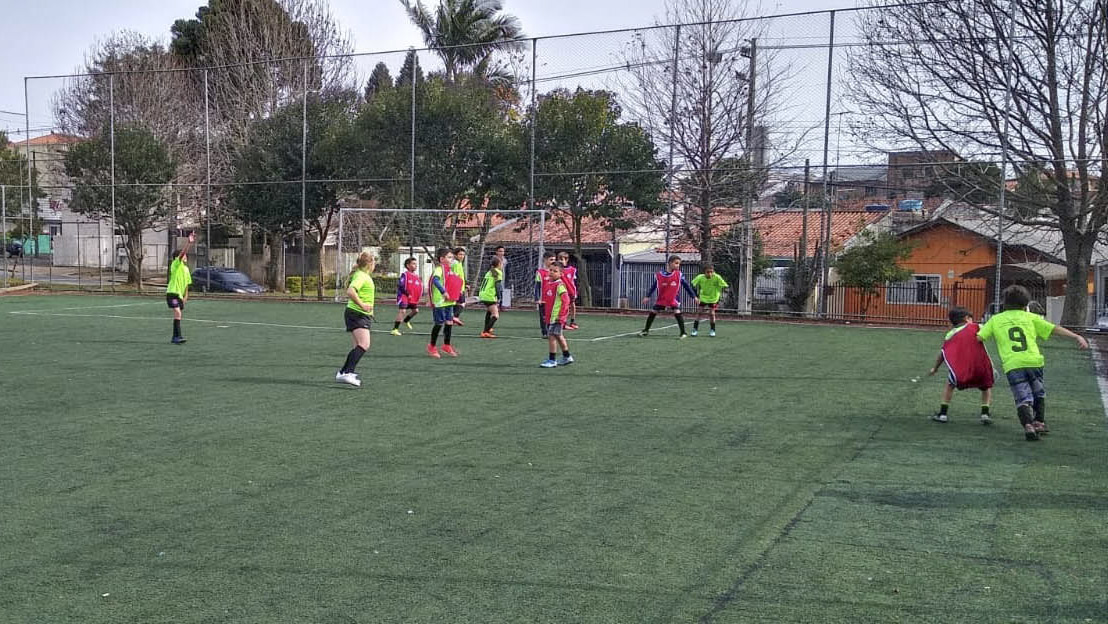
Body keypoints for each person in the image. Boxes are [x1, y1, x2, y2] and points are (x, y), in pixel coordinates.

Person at [977, 285, 1089, 440]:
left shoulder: (996, 320)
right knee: (1039, 393)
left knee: (1022, 397)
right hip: (1034, 361)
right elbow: (1054, 329)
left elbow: (980, 337)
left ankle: (1028, 425)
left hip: (1013, 364)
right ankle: (1039, 422)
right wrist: (1076, 336)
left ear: (1004, 303)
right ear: (1025, 305)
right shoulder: (1031, 318)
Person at [927, 307, 994, 424]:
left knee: (950, 385)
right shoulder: (977, 327)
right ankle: (985, 414)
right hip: (981, 369)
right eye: (971, 318)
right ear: (966, 319)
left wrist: (935, 368)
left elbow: (942, 354)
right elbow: (989, 331)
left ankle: (943, 414)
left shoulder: (950, 335)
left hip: (961, 372)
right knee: (986, 387)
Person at [337, 252, 375, 387]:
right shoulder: (361, 276)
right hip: (357, 314)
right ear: (370, 264)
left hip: (359, 314)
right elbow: (351, 291)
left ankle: (343, 373)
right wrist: (363, 305)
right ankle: (347, 372)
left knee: (357, 346)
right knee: (364, 344)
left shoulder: (363, 275)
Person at [640, 255, 698, 339]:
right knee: (653, 312)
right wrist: (647, 296)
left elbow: (687, 286)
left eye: (679, 264)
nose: (678, 265)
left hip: (673, 298)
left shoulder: (679, 275)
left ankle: (683, 333)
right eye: (676, 263)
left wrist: (694, 297)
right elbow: (654, 286)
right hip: (662, 298)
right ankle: (646, 330)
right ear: (670, 263)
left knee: (677, 312)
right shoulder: (659, 275)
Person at [427, 248, 462, 359]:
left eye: (452, 257)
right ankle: (432, 346)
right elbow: (435, 280)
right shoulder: (439, 269)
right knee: (439, 323)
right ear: (442, 259)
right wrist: (443, 291)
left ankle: (446, 345)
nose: (452, 259)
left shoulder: (449, 269)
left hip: (449, 301)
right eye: (449, 257)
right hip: (440, 300)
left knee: (449, 322)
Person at [540, 261, 574, 368]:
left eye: (555, 271)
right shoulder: (550, 284)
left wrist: (562, 316)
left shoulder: (559, 285)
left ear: (560, 274)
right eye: (550, 270)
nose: (552, 272)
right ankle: (567, 356)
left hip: (557, 317)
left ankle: (552, 360)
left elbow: (566, 301)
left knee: (552, 336)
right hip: (551, 317)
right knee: (559, 336)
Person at [166, 232, 195, 345]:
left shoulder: (186, 269)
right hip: (172, 293)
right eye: (183, 256)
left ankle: (176, 336)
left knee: (178, 314)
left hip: (179, 295)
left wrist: (186, 296)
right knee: (178, 313)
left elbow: (187, 284)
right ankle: (176, 337)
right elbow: (182, 253)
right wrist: (189, 243)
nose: (185, 257)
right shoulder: (175, 264)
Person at [690, 265, 729, 337]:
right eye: (708, 272)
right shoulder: (700, 277)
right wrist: (696, 296)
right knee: (699, 312)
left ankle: (712, 330)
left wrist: (723, 297)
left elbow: (725, 286)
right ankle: (695, 330)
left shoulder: (717, 277)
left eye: (711, 272)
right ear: (704, 272)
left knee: (712, 314)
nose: (710, 274)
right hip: (703, 297)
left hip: (713, 298)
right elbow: (692, 285)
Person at [392, 257, 422, 336]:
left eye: (416, 264)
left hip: (412, 298)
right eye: (413, 263)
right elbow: (401, 285)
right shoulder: (405, 275)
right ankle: (395, 329)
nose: (416, 265)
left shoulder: (416, 276)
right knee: (403, 311)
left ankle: (406, 321)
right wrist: (407, 294)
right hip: (404, 296)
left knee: (415, 311)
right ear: (408, 265)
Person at [479, 256, 504, 339]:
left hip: (483, 294)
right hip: (489, 295)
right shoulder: (497, 272)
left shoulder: (490, 271)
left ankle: (487, 329)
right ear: (499, 264)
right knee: (495, 315)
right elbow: (498, 285)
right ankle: (485, 331)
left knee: (489, 312)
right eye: (502, 263)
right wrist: (499, 296)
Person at [534, 250, 556, 337]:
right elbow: (537, 286)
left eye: (554, 259)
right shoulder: (540, 272)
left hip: (553, 299)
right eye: (551, 260)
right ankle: (545, 332)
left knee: (553, 315)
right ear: (545, 260)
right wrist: (537, 298)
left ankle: (552, 331)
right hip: (543, 299)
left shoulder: (555, 272)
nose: (553, 262)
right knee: (543, 317)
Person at [556, 251, 580, 330]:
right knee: (564, 306)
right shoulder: (558, 270)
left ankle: (572, 321)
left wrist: (575, 291)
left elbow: (574, 281)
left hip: (571, 291)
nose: (560, 261)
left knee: (572, 305)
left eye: (562, 259)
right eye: (559, 259)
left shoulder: (572, 270)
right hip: (562, 291)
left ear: (566, 260)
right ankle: (563, 322)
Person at [451, 247, 468, 326]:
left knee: (456, 303)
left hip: (460, 287)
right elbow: (455, 277)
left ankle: (453, 318)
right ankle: (454, 317)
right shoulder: (456, 264)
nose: (462, 256)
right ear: (455, 255)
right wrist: (459, 288)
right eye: (460, 254)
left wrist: (466, 284)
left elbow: (461, 276)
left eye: (463, 255)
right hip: (458, 288)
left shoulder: (458, 263)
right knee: (462, 303)